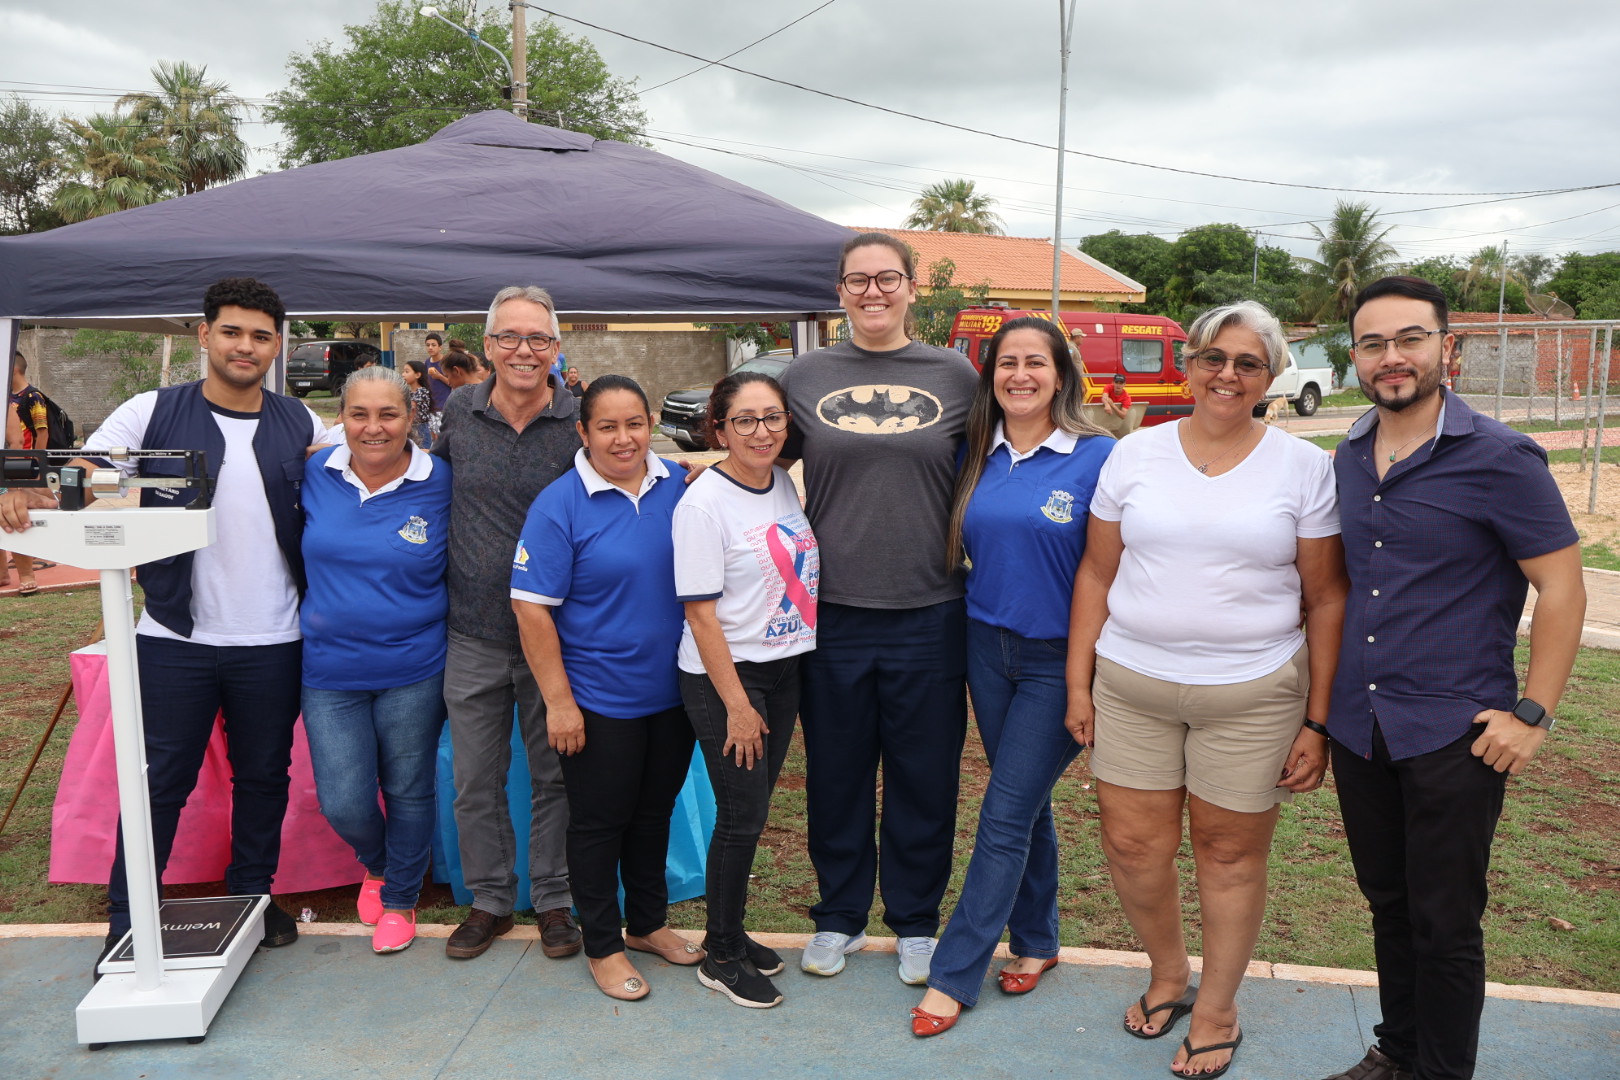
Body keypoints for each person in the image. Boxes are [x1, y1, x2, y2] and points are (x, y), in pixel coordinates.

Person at [1, 278, 328, 968]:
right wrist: (31, 489)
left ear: (277, 345)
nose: (246, 346)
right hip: (174, 637)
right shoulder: (152, 410)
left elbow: (358, 473)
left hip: (274, 637)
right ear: (204, 336)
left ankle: (253, 900)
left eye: (261, 335)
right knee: (159, 782)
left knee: (265, 776)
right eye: (232, 331)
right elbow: (84, 468)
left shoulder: (301, 422)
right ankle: (129, 920)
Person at [1067, 300, 1347, 1078]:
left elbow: (1326, 597)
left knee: (1227, 856)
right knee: (1132, 847)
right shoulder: (1135, 454)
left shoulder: (1304, 467)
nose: (1227, 375)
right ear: (1189, 364)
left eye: (1248, 363)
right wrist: (1078, 685)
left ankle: (1218, 1007)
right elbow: (1097, 570)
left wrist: (1317, 722)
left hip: (1253, 695)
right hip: (1131, 685)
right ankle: (1166, 973)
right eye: (1213, 358)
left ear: (1272, 375)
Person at [1318, 278, 1585, 1080]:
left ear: (1447, 349)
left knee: (1445, 921)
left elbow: (1565, 589)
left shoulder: (1501, 458)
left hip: (1455, 735)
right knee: (1390, 907)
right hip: (1361, 729)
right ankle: (1397, 1050)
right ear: (1357, 358)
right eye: (1372, 344)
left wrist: (1531, 714)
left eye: (1409, 339)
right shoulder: (1349, 456)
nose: (1391, 357)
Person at [777, 231, 978, 984]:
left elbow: (998, 460)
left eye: (887, 279)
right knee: (836, 772)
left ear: (911, 288)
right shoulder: (806, 375)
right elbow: (759, 457)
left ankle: (917, 921)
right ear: (839, 291)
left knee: (925, 775)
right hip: (831, 613)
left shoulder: (955, 375)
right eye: (857, 280)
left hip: (931, 609)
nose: (872, 292)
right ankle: (838, 916)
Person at [908, 316, 1115, 1036]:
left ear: (1062, 374)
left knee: (1000, 815)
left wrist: (1086, 680)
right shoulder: (976, 453)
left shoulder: (1099, 457)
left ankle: (955, 973)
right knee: (1023, 804)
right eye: (1005, 363)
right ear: (989, 375)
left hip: (1060, 662)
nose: (1019, 374)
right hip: (984, 648)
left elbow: (1113, 567)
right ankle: (1037, 939)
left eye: (1035, 362)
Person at [511, 375, 696, 1001]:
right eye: (608, 427)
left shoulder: (680, 486)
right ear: (583, 432)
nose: (624, 438)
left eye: (635, 424)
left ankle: (646, 924)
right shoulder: (559, 504)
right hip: (598, 699)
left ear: (652, 426)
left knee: (653, 815)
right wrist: (559, 703)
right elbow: (532, 608)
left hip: (672, 696)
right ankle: (603, 944)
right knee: (598, 824)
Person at [431, 285, 581, 961]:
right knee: (475, 778)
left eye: (539, 339)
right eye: (510, 338)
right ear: (488, 346)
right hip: (474, 634)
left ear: (557, 346)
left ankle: (554, 899)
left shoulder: (580, 418)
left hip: (556, 637)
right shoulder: (458, 411)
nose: (525, 351)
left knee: (554, 776)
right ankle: (489, 900)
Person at [674, 371, 818, 1010]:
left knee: (750, 813)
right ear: (719, 428)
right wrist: (737, 705)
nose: (761, 431)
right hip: (727, 677)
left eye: (773, 418)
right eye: (745, 421)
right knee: (742, 817)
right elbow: (700, 614)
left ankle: (731, 931)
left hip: (783, 667)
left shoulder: (782, 482)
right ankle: (721, 954)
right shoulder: (703, 505)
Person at [300, 366, 452, 954]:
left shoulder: (441, 480)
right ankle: (380, 860)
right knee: (343, 798)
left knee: (409, 787)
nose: (373, 427)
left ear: (411, 417)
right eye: (359, 414)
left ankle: (399, 896)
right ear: (342, 417)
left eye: (388, 414)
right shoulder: (316, 471)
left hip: (415, 666)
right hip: (329, 669)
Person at [6, 352, 50, 596]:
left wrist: (35, 463)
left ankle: (26, 573)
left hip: (19, 465)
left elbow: (41, 433)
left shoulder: (32, 396)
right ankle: (3, 573)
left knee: (15, 515)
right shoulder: (7, 396)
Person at [402, 360, 433, 448]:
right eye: (403, 371)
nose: (403, 374)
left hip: (420, 428)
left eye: (407, 371)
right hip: (411, 426)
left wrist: (408, 424)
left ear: (418, 375)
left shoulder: (422, 391)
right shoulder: (408, 392)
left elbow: (413, 408)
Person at [423, 332, 452, 413]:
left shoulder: (447, 362)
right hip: (431, 406)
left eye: (433, 345)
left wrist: (439, 376)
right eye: (428, 345)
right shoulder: (427, 362)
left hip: (445, 405)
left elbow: (453, 383)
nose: (430, 347)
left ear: (440, 347)